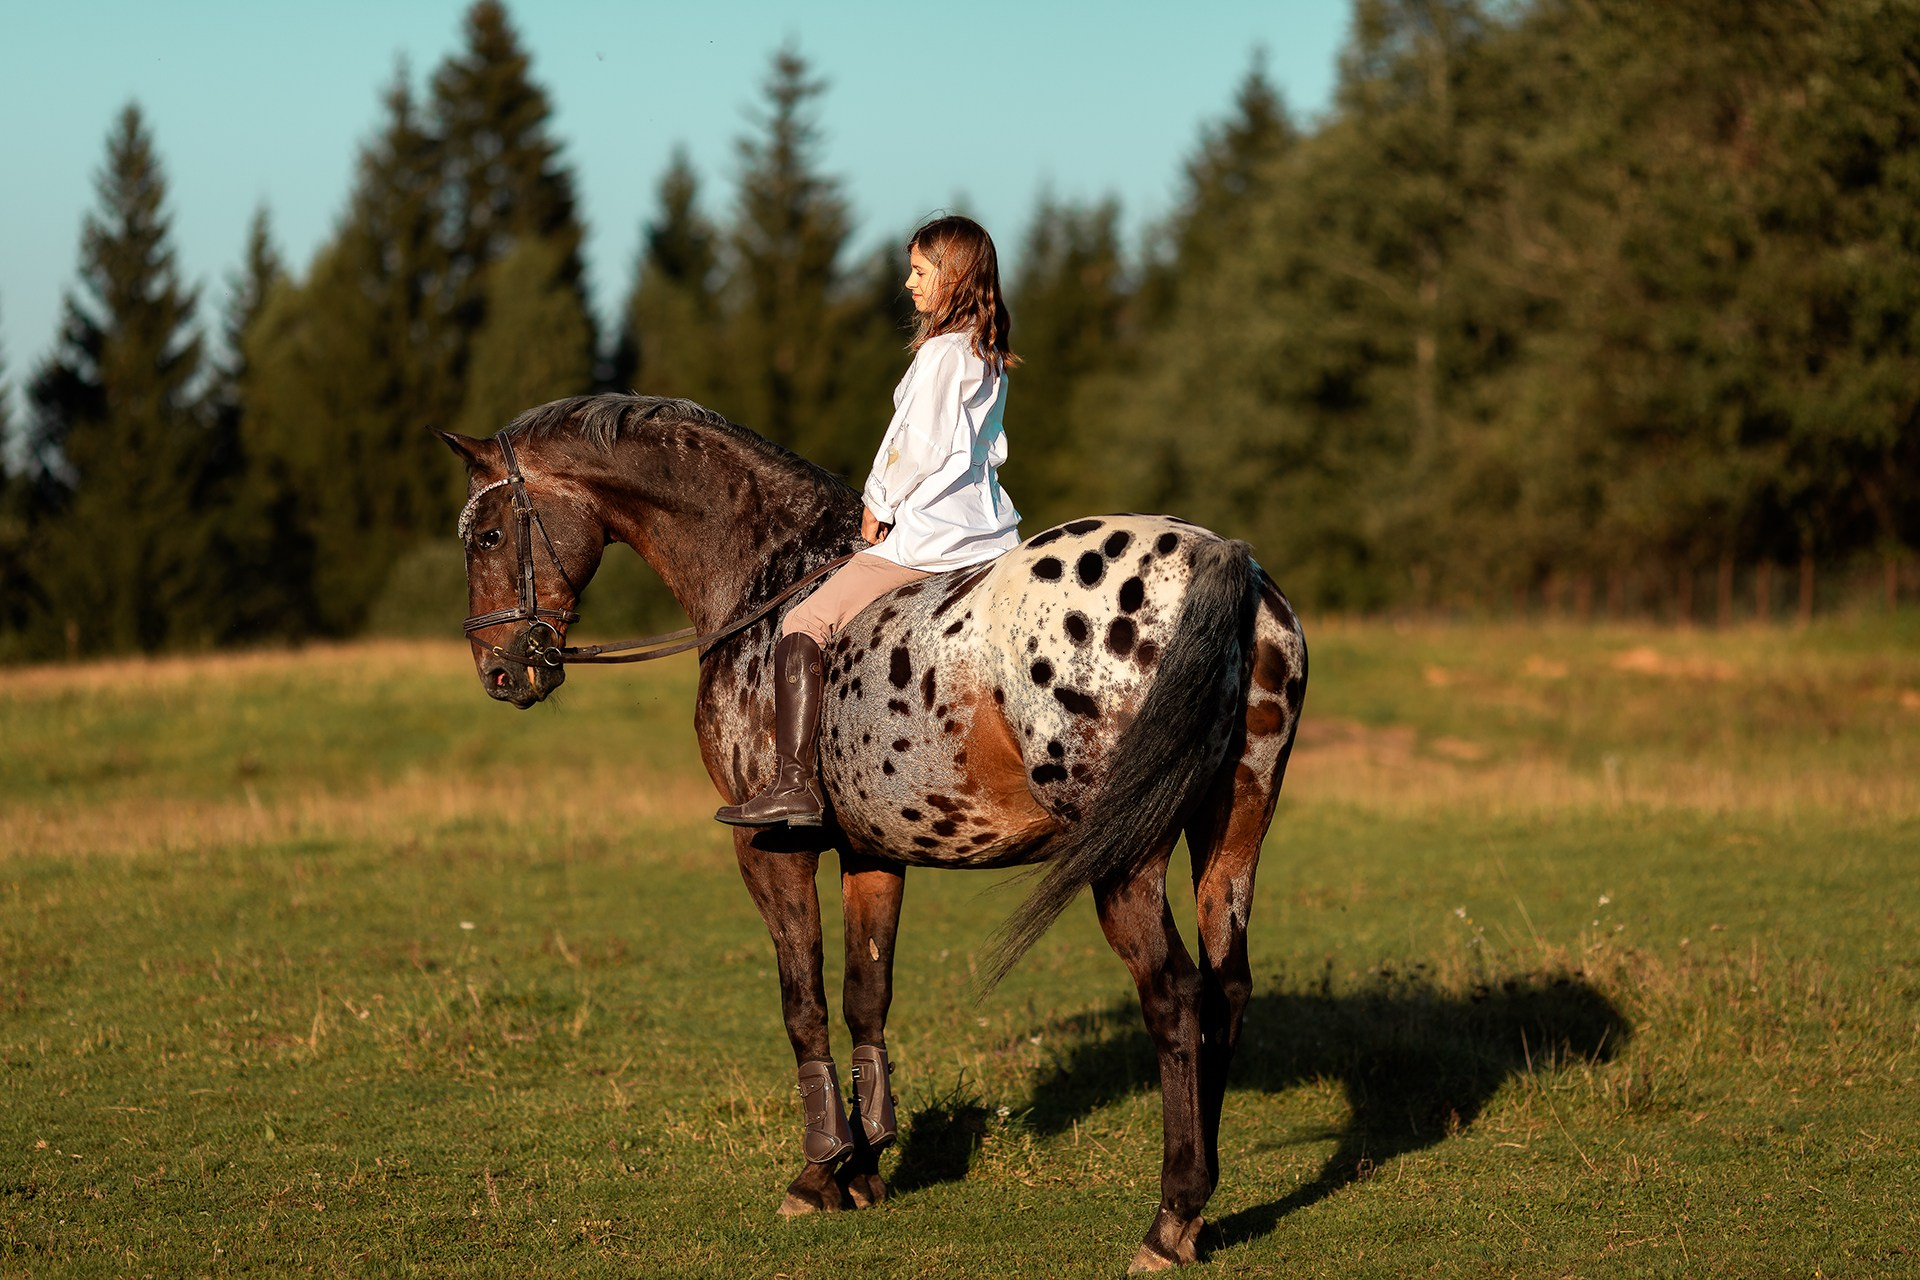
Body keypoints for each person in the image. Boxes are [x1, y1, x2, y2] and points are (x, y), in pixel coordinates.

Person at [716, 214, 1022, 827]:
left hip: (929, 536)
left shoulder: (940, 354)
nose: (909, 284)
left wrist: (878, 503)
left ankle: (795, 784)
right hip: (988, 534)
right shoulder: (985, 353)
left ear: (954, 278)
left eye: (920, 272)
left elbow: (917, 443)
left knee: (804, 621)